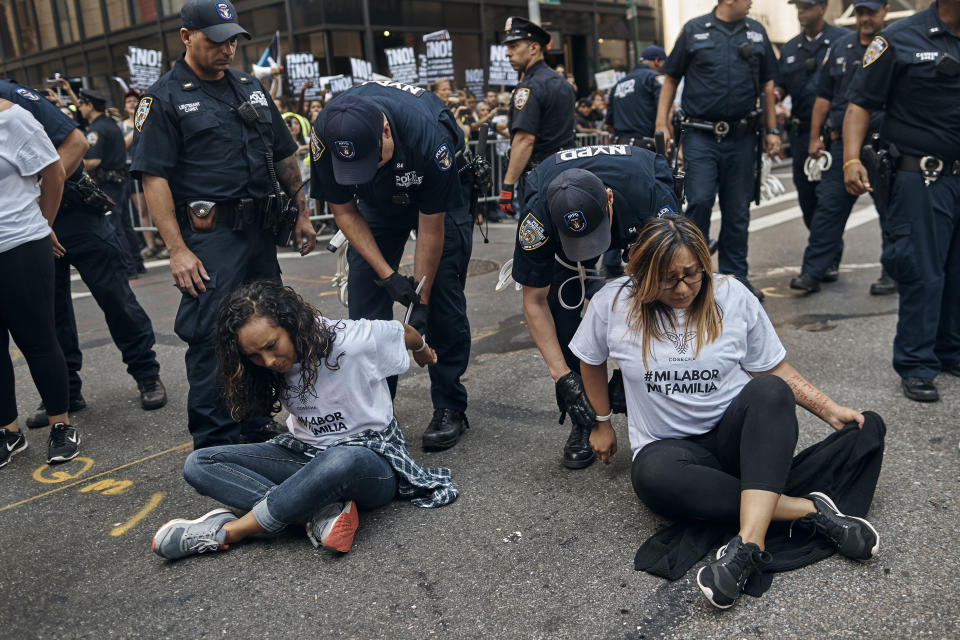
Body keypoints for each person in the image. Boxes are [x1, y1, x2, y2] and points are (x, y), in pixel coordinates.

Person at [568, 214, 881, 609]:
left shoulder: (731, 295)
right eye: (667, 278)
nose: (682, 288)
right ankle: (806, 510)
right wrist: (600, 422)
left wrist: (829, 410)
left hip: (737, 443)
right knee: (649, 474)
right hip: (671, 452)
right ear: (642, 274)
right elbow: (590, 359)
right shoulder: (613, 302)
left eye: (691, 274)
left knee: (770, 390)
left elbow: (773, 367)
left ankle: (748, 545)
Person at [151, 280, 457, 560]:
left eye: (272, 346)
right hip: (304, 454)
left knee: (340, 460)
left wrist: (423, 353)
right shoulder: (264, 366)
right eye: (255, 356)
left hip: (369, 461)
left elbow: (405, 333)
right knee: (200, 463)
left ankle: (232, 531)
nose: (269, 361)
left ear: (291, 324)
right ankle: (314, 516)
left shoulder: (350, 341)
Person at [131, 0, 317, 449]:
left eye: (232, 38)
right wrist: (176, 249)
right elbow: (154, 177)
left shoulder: (249, 87)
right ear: (186, 37)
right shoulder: (164, 97)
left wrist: (304, 214)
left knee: (266, 327)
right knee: (213, 336)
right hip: (209, 239)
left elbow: (283, 153)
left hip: (257, 235)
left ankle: (254, 421)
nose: (227, 48)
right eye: (216, 39)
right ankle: (215, 442)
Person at [309, 81, 473, 451]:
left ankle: (449, 405)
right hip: (376, 206)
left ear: (385, 130)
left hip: (435, 198)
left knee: (443, 297)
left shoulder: (429, 138)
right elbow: (344, 210)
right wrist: (387, 275)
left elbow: (431, 226)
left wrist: (421, 300)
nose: (366, 170)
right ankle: (376, 411)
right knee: (366, 309)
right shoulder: (326, 132)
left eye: (372, 160)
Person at [0, 80, 168, 430]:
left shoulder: (13, 95)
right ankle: (66, 392)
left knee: (115, 297)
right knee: (50, 314)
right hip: (30, 231)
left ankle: (146, 374)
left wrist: (40, 203)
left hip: (74, 213)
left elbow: (74, 143)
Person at [511, 145, 678, 469]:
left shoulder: (651, 193)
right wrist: (564, 379)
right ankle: (583, 417)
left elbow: (679, 288)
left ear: (609, 199)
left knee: (660, 299)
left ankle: (648, 395)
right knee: (562, 317)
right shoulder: (538, 215)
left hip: (634, 207)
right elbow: (534, 301)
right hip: (562, 211)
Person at [843, 0, 960, 403]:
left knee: (957, 271)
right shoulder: (899, 38)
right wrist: (852, 158)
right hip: (921, 176)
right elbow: (860, 104)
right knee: (923, 270)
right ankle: (916, 362)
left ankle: (950, 350)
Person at [656, 0, 783, 302]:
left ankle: (735, 279)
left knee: (738, 211)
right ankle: (694, 276)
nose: (752, 1)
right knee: (698, 201)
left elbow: (767, 85)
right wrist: (662, 121)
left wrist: (772, 130)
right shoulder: (694, 30)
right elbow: (671, 78)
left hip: (742, 137)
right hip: (701, 135)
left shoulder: (757, 31)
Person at [791, 0, 891, 296]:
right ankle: (813, 272)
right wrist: (813, 139)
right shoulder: (840, 47)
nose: (864, 18)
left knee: (891, 211)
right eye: (859, 12)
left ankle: (893, 273)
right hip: (841, 143)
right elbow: (823, 97)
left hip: (882, 143)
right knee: (828, 210)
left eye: (870, 12)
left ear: (885, 10)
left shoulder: (893, 45)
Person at [0, 98, 79, 467]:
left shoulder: (14, 118)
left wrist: (44, 224)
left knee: (38, 339)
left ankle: (60, 426)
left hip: (21, 244)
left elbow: (54, 172)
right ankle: (8, 431)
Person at [776, 0, 848, 236]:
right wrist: (775, 95)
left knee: (829, 200)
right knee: (807, 197)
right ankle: (825, 247)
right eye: (798, 7)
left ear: (822, 7)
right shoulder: (789, 49)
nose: (801, 12)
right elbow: (780, 86)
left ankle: (827, 255)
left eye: (806, 7)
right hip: (801, 135)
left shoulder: (843, 41)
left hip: (833, 135)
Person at [498, 16, 576, 217]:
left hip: (539, 176)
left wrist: (507, 186)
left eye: (514, 46)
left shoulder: (529, 87)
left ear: (533, 48)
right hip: (566, 171)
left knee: (534, 243)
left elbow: (525, 139)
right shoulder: (562, 83)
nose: (508, 53)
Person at [77, 88, 145, 276]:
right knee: (124, 224)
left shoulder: (97, 129)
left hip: (108, 182)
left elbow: (94, 161)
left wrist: (72, 162)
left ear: (89, 105)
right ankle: (137, 263)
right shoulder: (110, 124)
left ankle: (128, 267)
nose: (80, 108)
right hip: (120, 179)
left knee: (114, 225)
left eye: (81, 104)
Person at [605, 45, 666, 147]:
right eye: (664, 62)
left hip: (620, 145)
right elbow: (666, 111)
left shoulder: (617, 84)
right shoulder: (654, 77)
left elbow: (608, 125)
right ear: (657, 61)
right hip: (646, 146)